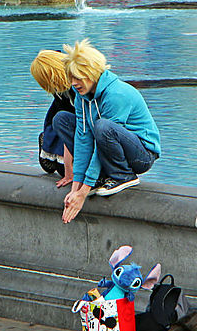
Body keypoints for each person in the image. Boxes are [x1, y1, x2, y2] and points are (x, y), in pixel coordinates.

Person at [57, 39, 161, 223]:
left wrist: (83, 193)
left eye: (78, 77)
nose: (73, 83)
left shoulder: (116, 94)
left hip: (141, 155)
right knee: (62, 120)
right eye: (71, 77)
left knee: (102, 126)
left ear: (92, 73)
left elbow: (101, 138)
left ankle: (123, 175)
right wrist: (75, 188)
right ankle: (103, 176)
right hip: (109, 146)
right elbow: (83, 138)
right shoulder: (83, 96)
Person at [30, 49, 76, 182]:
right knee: (50, 165)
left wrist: (69, 172)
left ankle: (54, 149)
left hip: (71, 123)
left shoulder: (78, 86)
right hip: (61, 121)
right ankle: (49, 145)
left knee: (62, 168)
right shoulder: (59, 90)